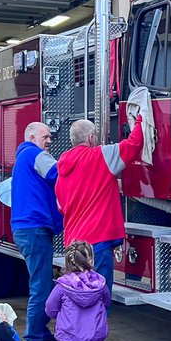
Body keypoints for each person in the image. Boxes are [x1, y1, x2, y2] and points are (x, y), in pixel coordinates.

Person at [55, 115, 144, 293]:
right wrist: (141, 119)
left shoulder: (61, 168)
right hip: (97, 242)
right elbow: (133, 144)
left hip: (73, 244)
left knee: (78, 295)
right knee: (99, 298)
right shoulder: (101, 155)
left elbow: (61, 207)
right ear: (91, 138)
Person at [11, 121, 62, 341]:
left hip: (26, 228)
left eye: (50, 136)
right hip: (34, 228)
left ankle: (40, 333)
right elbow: (59, 173)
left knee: (41, 283)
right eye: (45, 136)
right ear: (31, 137)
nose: (49, 140)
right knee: (41, 286)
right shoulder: (35, 154)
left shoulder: (23, 157)